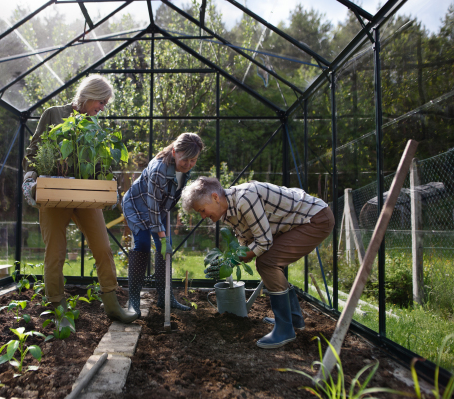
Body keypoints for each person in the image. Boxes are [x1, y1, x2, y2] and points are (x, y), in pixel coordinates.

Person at [22, 75, 138, 324]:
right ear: (90, 95)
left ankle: (112, 304)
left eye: (105, 104)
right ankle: (58, 308)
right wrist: (32, 175)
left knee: (103, 248)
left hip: (85, 196)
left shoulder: (94, 126)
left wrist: (106, 182)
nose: (102, 108)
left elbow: (97, 164)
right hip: (55, 193)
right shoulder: (53, 115)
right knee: (55, 252)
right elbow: (33, 151)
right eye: (102, 102)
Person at [181, 177, 334, 349]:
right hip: (296, 224)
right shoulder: (228, 212)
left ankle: (285, 328)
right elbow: (246, 243)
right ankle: (294, 318)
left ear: (215, 198)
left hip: (314, 219)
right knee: (269, 261)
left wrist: (234, 260)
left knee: (267, 263)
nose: (202, 216)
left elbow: (263, 242)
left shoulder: (245, 198)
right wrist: (229, 262)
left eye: (202, 210)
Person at [123, 133, 204, 317]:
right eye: (186, 160)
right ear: (174, 151)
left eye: (194, 160)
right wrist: (161, 235)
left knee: (165, 249)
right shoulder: (159, 168)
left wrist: (163, 238)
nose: (189, 164)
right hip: (137, 205)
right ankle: (134, 300)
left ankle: (165, 297)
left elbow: (168, 197)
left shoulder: (185, 168)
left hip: (159, 208)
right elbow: (151, 208)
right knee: (142, 245)